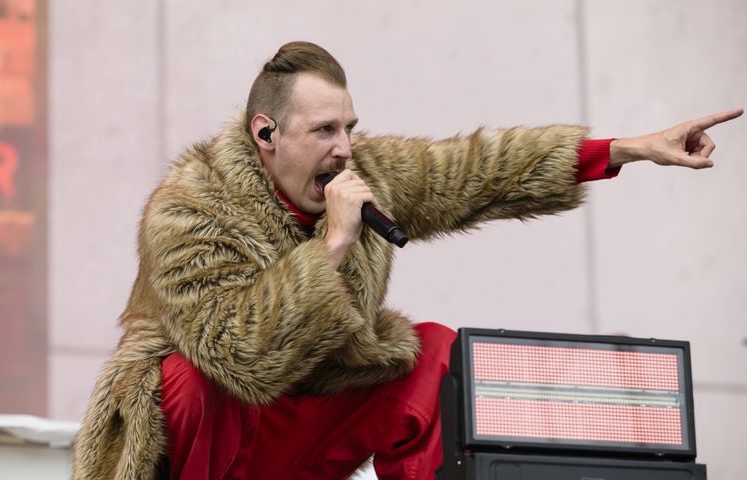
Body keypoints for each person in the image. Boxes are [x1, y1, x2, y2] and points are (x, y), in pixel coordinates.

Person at [71, 41, 742, 480]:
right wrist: (330, 247)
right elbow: (236, 355)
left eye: (349, 129)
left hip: (297, 430)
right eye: (323, 131)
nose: (343, 149)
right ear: (266, 134)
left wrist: (624, 150)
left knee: (434, 356)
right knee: (187, 376)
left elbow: (475, 170)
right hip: (203, 439)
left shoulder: (368, 174)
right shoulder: (190, 207)